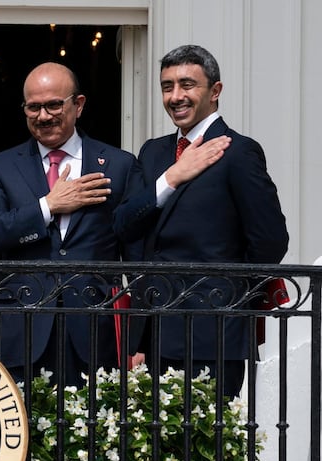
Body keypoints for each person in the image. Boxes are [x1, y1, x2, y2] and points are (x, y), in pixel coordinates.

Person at [112, 44, 289, 399]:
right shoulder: (154, 152)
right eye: (167, 86)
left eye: (187, 84)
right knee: (156, 449)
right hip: (153, 331)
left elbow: (270, 242)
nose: (176, 96)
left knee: (210, 451)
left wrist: (226, 296)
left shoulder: (238, 152)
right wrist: (172, 178)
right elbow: (124, 225)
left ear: (215, 91)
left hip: (213, 331)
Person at [0, 62, 142, 387]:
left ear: (79, 104)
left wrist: (138, 342)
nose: (43, 116)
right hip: (22, 334)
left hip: (94, 333)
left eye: (53, 105)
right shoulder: (1, 167)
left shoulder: (119, 165)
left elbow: (139, 256)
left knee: (93, 436)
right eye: (33, 107)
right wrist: (48, 206)